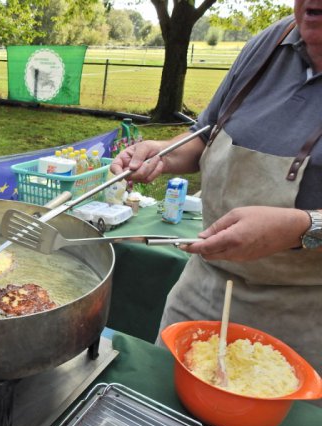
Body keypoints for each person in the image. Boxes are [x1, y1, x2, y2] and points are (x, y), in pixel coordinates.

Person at [110, 2, 322, 376]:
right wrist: (162, 154)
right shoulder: (271, 43)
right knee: (161, 408)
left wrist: (301, 227)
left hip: (303, 316)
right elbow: (206, 135)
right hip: (202, 289)